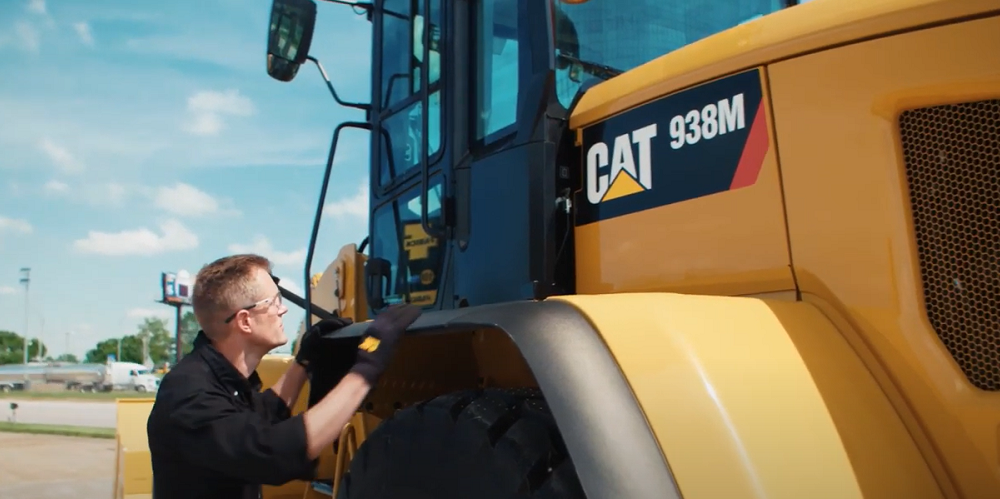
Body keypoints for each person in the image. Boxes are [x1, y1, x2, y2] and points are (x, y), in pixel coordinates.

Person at [146, 254, 421, 499]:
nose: (283, 309)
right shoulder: (189, 394)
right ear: (244, 321)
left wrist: (304, 361)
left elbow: (261, 417)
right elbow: (271, 453)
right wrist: (367, 367)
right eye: (274, 301)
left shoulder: (217, 378)